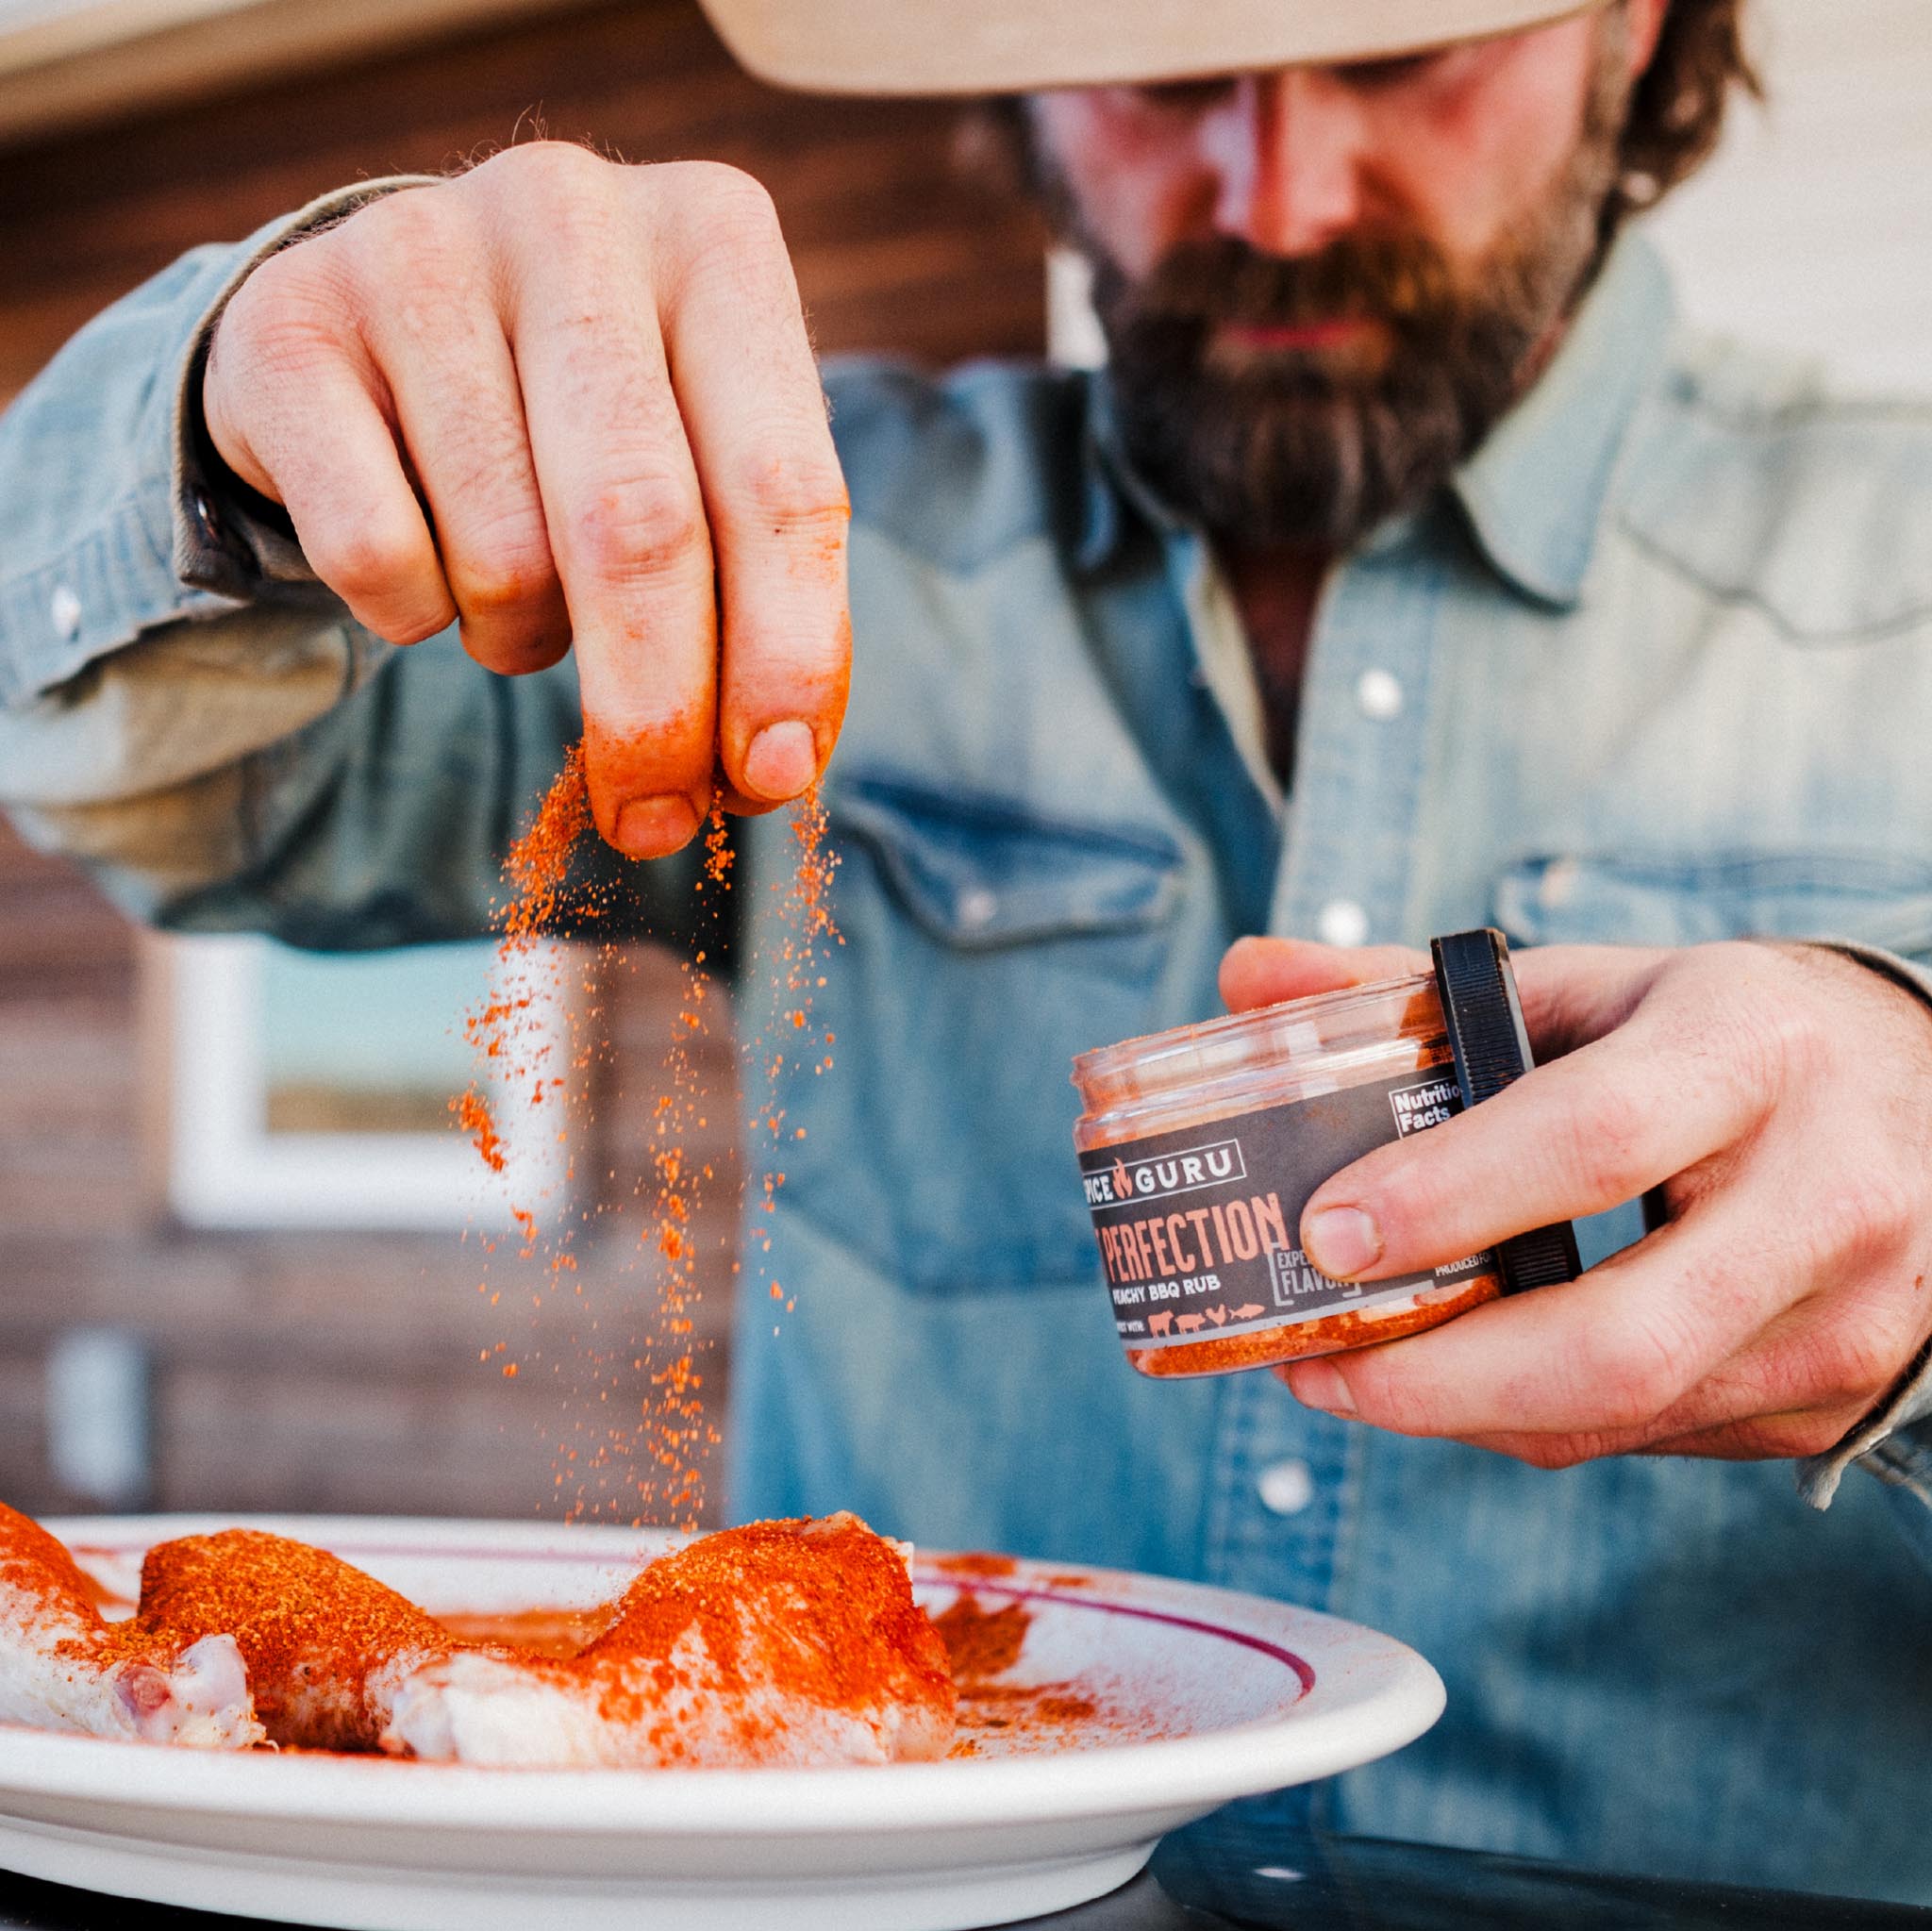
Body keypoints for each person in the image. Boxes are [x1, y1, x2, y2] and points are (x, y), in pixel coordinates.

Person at [5, 0, 1932, 1900]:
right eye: (1170, 69)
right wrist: (229, 413)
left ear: (1640, 29)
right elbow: (165, 789)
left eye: (1406, 53)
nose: (1281, 190)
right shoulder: (794, 543)